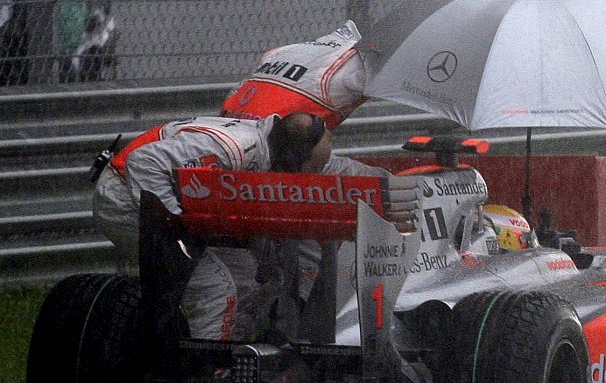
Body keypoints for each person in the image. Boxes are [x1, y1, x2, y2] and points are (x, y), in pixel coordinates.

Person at [91, 112, 414, 341]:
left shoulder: (270, 141)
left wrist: (399, 183)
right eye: (308, 170)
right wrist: (175, 226)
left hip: (155, 196)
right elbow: (143, 164)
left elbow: (334, 167)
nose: (308, 178)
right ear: (290, 157)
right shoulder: (234, 148)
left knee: (247, 279)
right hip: (124, 197)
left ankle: (235, 364)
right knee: (217, 290)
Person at [220, 20, 369, 128]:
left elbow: (234, 95)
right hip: (278, 149)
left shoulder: (279, 52)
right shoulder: (353, 66)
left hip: (228, 131)